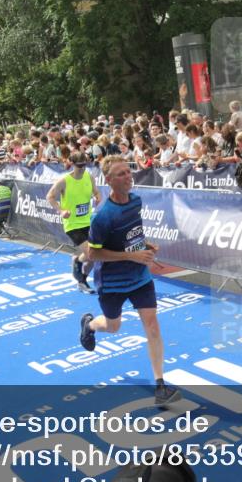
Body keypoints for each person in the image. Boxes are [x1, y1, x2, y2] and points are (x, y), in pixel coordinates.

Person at [79, 156, 181, 408]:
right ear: (109, 181)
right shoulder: (102, 216)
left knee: (153, 325)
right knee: (113, 327)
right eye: (121, 174)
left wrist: (143, 245)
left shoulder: (136, 200)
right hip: (112, 283)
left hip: (140, 277)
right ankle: (90, 325)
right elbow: (93, 254)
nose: (128, 176)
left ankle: (160, 386)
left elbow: (131, 233)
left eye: (128, 171)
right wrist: (130, 254)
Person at [47, 151, 101, 293]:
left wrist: (98, 197)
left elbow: (96, 191)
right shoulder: (64, 181)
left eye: (84, 165)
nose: (82, 168)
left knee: (94, 255)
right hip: (72, 224)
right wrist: (61, 211)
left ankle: (82, 279)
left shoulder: (89, 177)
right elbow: (50, 196)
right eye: (79, 166)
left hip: (88, 221)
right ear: (72, 164)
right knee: (92, 253)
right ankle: (78, 264)